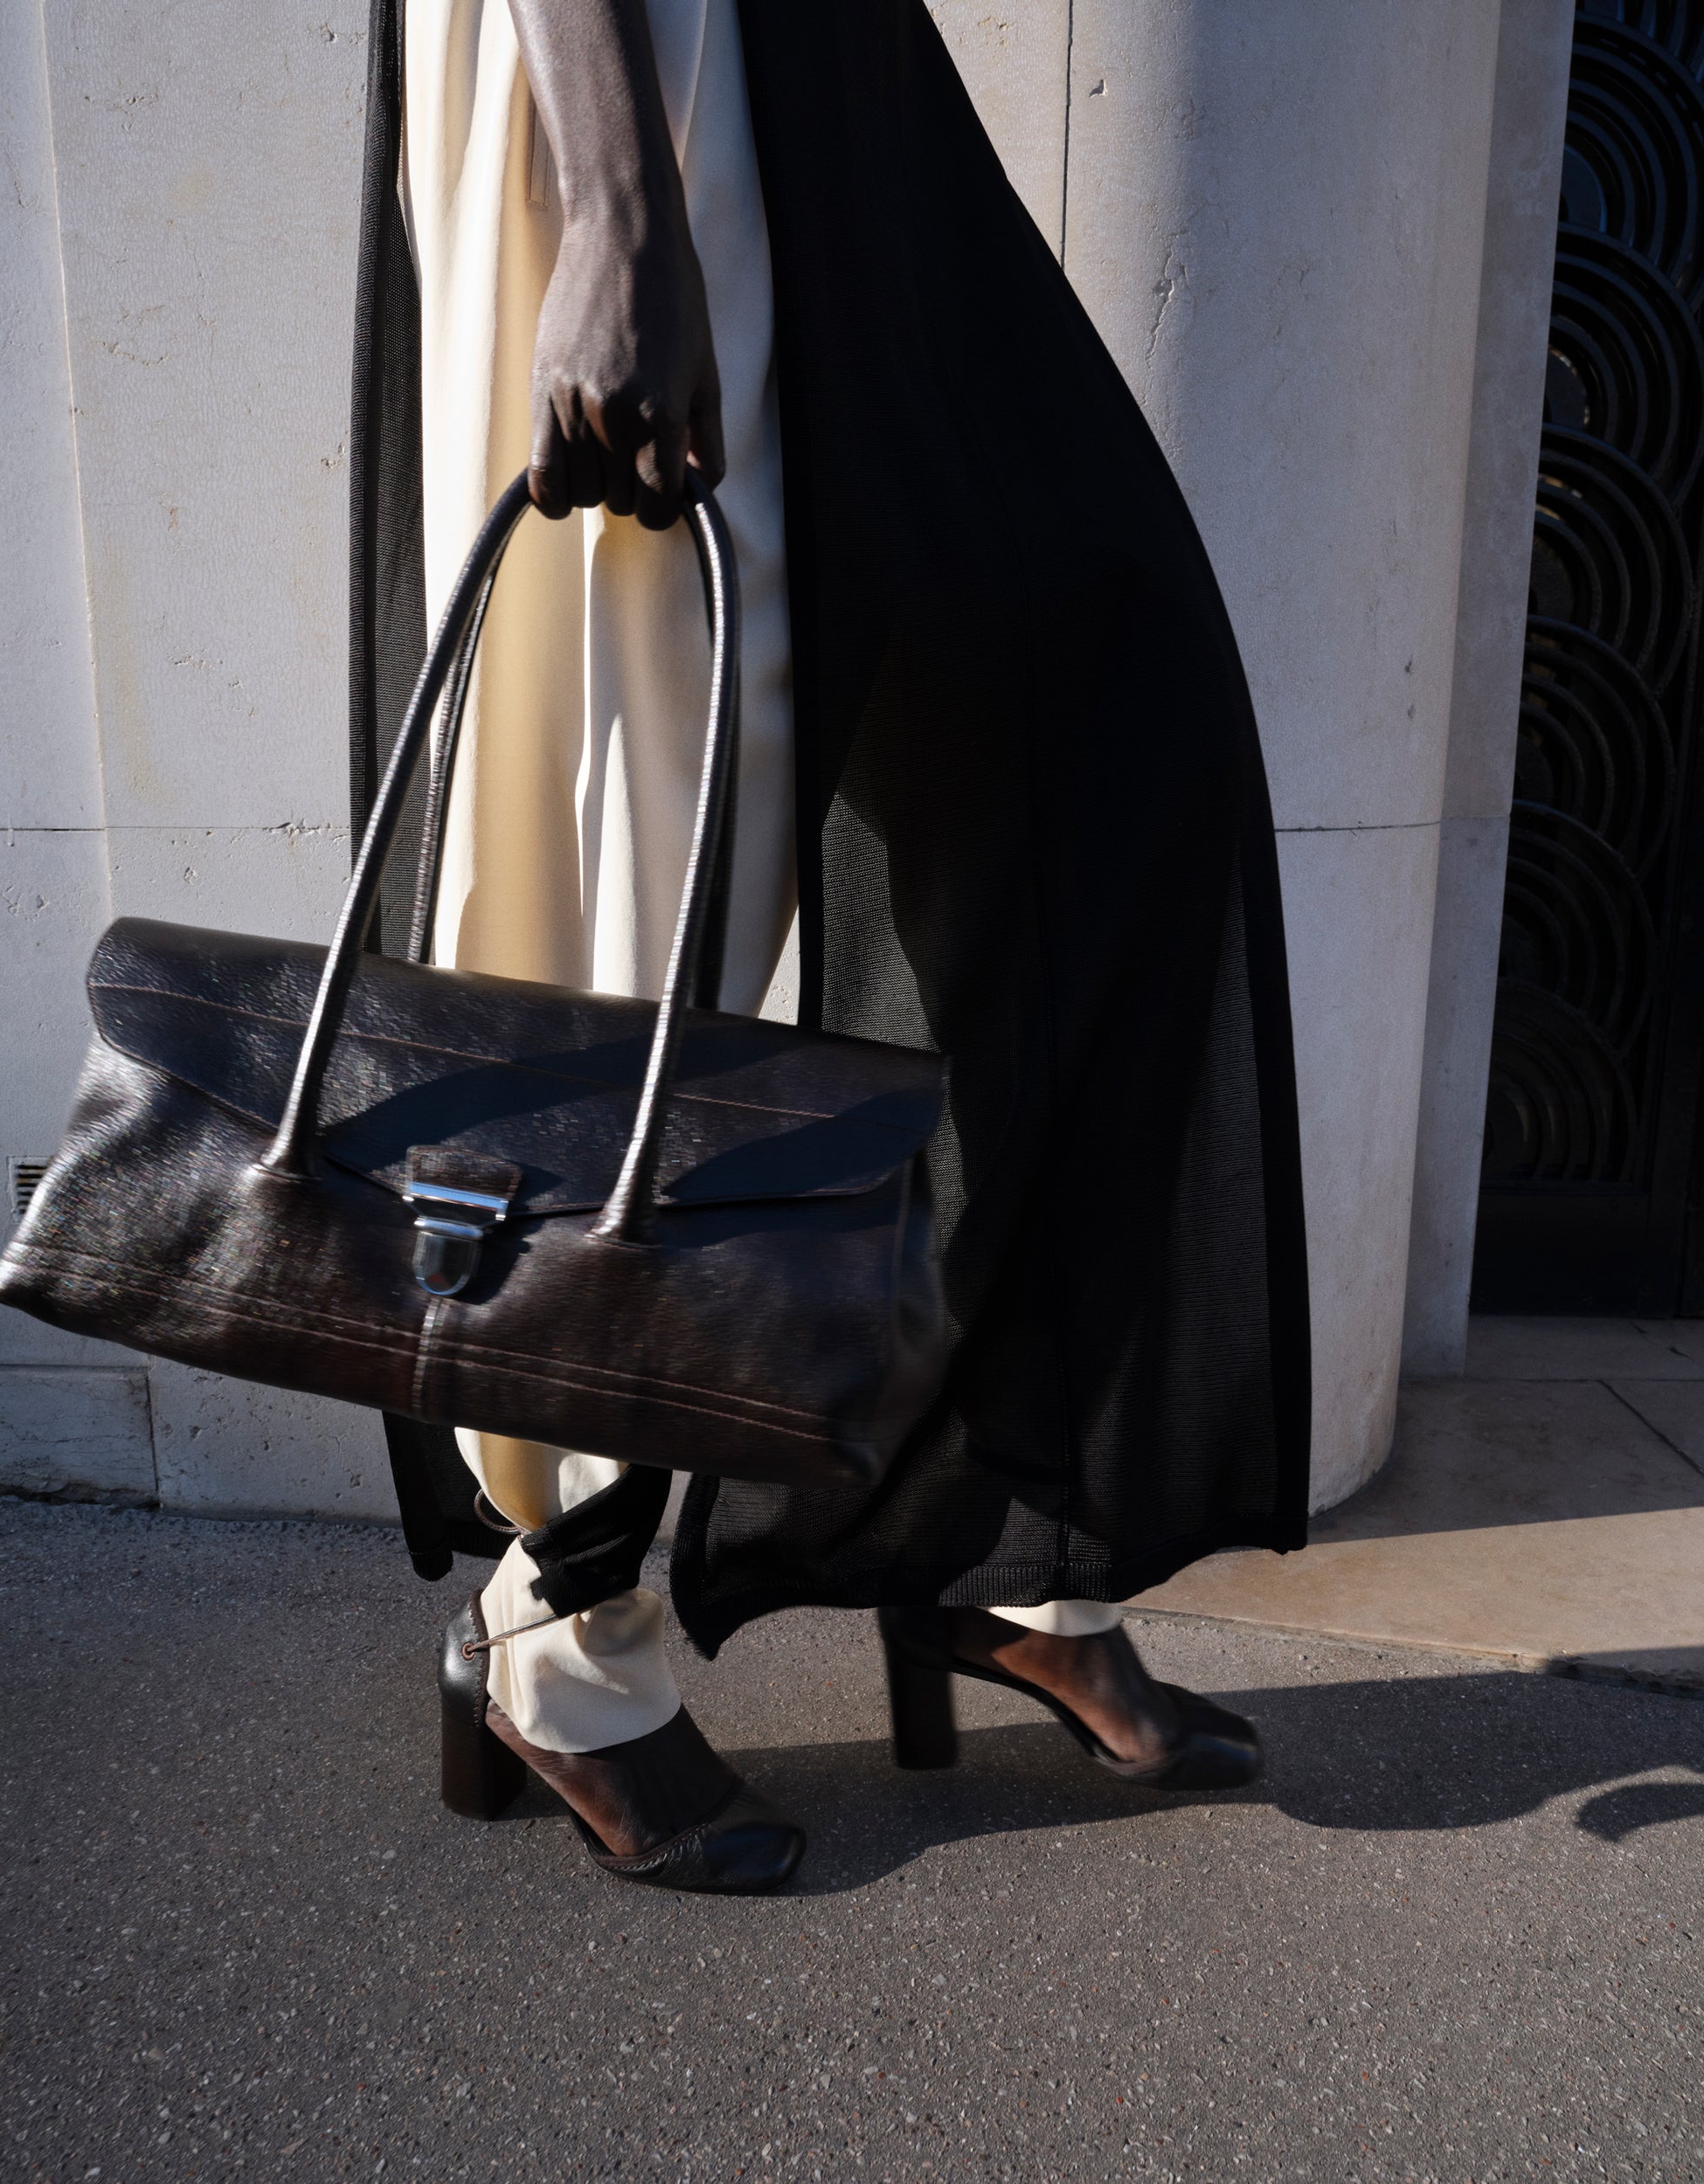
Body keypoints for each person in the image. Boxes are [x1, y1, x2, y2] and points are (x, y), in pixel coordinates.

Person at [350, 0, 1312, 1892]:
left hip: (836, 61)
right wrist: (617, 206)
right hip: (631, 69)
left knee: (1105, 724)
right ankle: (562, 1627)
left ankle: (992, 1515)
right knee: (634, 867)